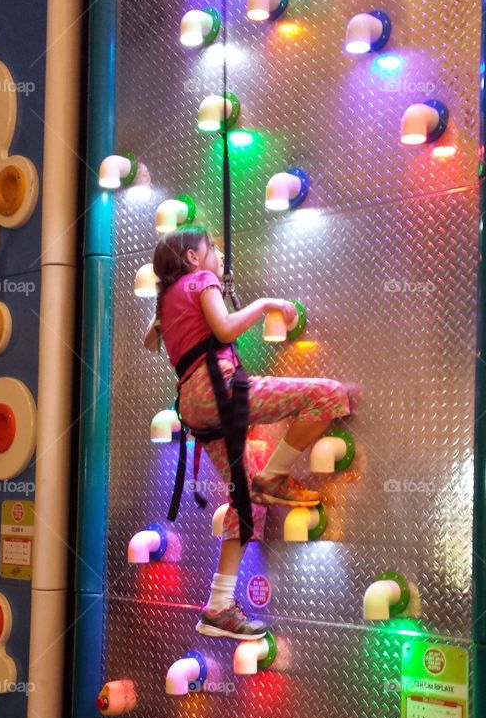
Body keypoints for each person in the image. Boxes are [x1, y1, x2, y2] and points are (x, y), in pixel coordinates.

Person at [145, 226, 354, 640]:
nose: (218, 255)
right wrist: (263, 304)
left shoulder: (166, 299)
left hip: (194, 406)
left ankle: (218, 607)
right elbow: (224, 329)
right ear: (192, 258)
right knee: (329, 396)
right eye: (211, 248)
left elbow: (149, 340)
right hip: (220, 390)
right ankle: (274, 475)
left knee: (247, 504)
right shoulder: (202, 280)